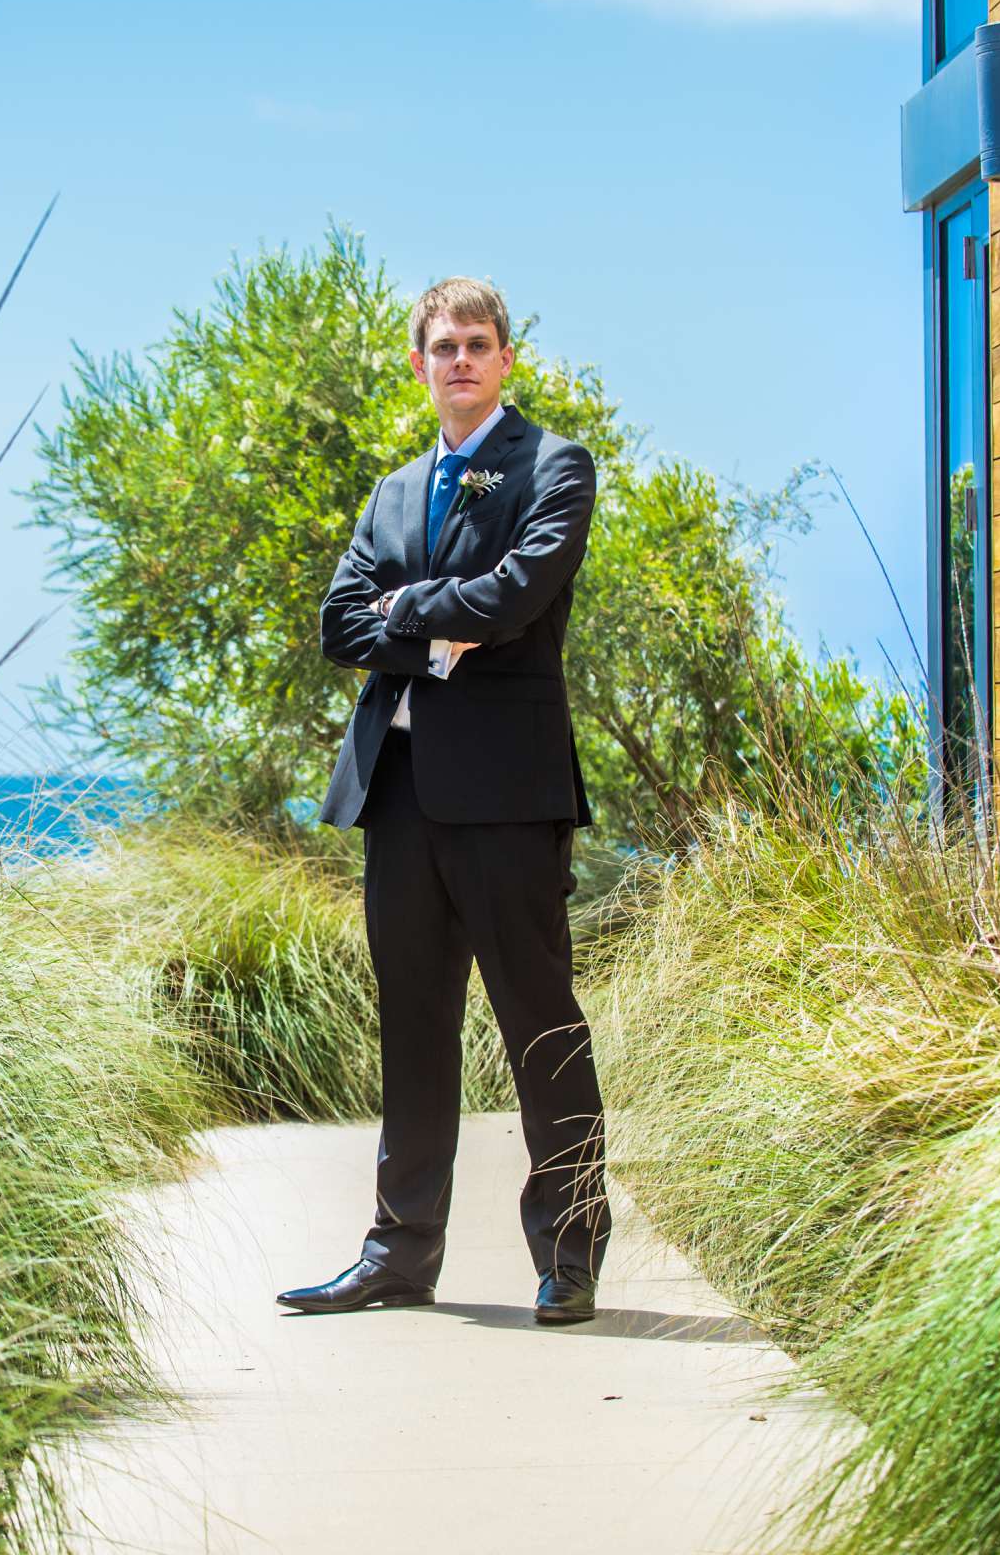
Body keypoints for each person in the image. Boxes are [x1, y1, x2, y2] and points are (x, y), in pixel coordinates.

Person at [278, 276, 610, 1326]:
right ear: (419, 365)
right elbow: (338, 622)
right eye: (442, 345)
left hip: (509, 797)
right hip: (401, 796)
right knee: (412, 1029)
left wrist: (403, 608)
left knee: (539, 1026)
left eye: (477, 343)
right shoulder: (388, 493)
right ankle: (399, 1251)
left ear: (506, 359)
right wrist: (437, 630)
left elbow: (520, 594)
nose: (460, 358)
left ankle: (570, 1251)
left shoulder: (553, 466)